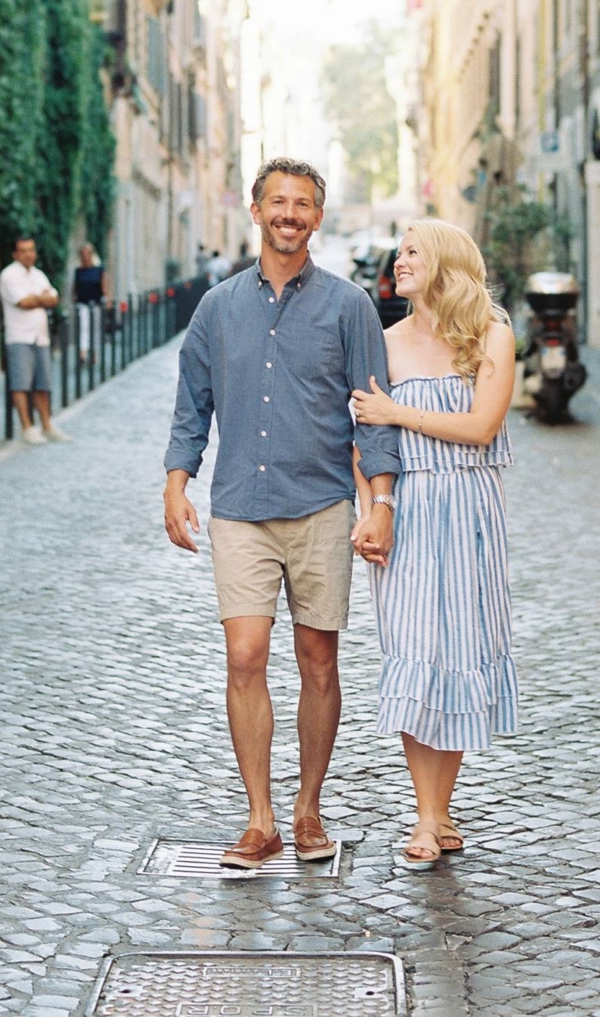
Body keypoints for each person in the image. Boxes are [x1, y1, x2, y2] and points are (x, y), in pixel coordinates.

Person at [162, 157, 401, 869]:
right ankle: (260, 818)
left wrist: (379, 502)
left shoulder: (350, 306)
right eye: (278, 202)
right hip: (240, 505)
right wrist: (177, 484)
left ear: (317, 218)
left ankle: (308, 809)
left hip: (322, 505)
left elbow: (374, 415)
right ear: (257, 211)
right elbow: (190, 405)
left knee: (318, 659)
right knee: (245, 655)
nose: (289, 214)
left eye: (302, 204)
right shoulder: (218, 307)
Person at [351, 218, 518, 870]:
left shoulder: (492, 335)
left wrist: (401, 413)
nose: (399, 260)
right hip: (408, 510)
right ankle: (426, 813)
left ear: (446, 262)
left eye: (413, 251)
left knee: (460, 654)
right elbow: (364, 441)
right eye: (399, 251)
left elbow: (482, 426)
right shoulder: (381, 343)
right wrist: (374, 511)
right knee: (415, 655)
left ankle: (440, 809)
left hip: (472, 508)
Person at [0, 237, 72, 445]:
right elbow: (23, 302)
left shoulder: (38, 275)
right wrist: (41, 299)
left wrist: (36, 298)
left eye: (31, 250)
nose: (28, 254)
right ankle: (27, 427)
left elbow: (54, 299)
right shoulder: (9, 275)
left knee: (43, 383)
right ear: (15, 254)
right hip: (19, 335)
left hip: (40, 336)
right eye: (23, 251)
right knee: (21, 383)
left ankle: (47, 425)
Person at [73, 243, 108, 366]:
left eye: (87, 253)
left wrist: (107, 301)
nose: (85, 256)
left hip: (96, 303)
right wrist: (74, 298)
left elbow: (104, 286)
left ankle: (94, 352)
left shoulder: (99, 269)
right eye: (83, 254)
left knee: (95, 329)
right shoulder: (79, 270)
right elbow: (75, 287)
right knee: (84, 327)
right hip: (82, 303)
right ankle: (83, 352)